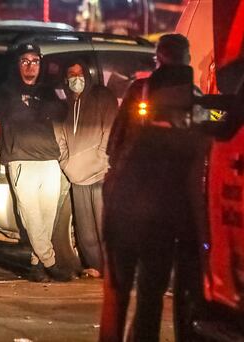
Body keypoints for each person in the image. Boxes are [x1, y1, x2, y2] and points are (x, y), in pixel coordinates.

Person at [100, 34, 209, 341]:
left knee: (117, 293)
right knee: (151, 294)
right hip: (165, 213)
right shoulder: (196, 99)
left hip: (125, 206)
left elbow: (113, 146)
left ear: (158, 59)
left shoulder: (139, 91)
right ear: (187, 59)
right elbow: (203, 151)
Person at [0, 43, 71, 282]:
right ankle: (51, 261)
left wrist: (41, 108)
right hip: (21, 160)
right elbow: (5, 113)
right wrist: (38, 110)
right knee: (32, 217)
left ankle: (37, 266)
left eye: (35, 61)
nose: (30, 67)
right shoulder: (5, 90)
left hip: (48, 159)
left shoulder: (48, 90)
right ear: (17, 64)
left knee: (48, 216)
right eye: (25, 61)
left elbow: (61, 112)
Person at [55, 61, 118, 276]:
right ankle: (96, 266)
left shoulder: (103, 97)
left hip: (101, 173)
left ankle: (112, 268)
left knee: (104, 226)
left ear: (88, 74)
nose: (76, 78)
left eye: (80, 73)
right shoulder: (67, 104)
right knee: (85, 230)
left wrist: (101, 160)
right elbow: (60, 137)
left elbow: (109, 131)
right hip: (77, 175)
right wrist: (66, 163)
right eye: (71, 74)